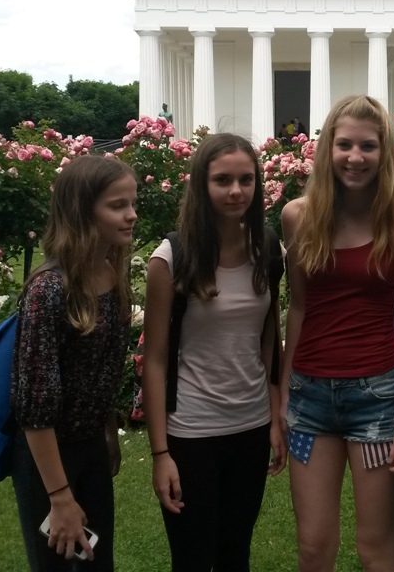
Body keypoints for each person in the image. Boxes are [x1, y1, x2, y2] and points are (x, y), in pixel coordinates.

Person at [281, 94, 394, 571]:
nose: (355, 157)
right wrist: (283, 396)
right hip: (309, 400)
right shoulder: (298, 217)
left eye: (368, 146)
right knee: (313, 547)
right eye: (344, 144)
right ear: (327, 148)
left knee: (376, 546)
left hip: (379, 400)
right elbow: (299, 307)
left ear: (384, 153)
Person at [142, 133, 286, 571]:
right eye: (223, 180)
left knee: (234, 554)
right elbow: (155, 360)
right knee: (192, 558)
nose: (236, 191)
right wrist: (160, 454)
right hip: (191, 432)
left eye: (246, 179)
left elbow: (268, 340)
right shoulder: (171, 258)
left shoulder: (268, 249)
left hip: (251, 426)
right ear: (201, 184)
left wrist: (275, 419)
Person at [11, 155, 138, 571]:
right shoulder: (48, 291)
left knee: (98, 561)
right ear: (82, 212)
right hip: (48, 458)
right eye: (117, 206)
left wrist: (108, 435)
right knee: (56, 563)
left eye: (132, 203)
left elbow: (102, 371)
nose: (131, 215)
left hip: (91, 446)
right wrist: (60, 496)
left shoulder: (111, 273)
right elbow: (34, 407)